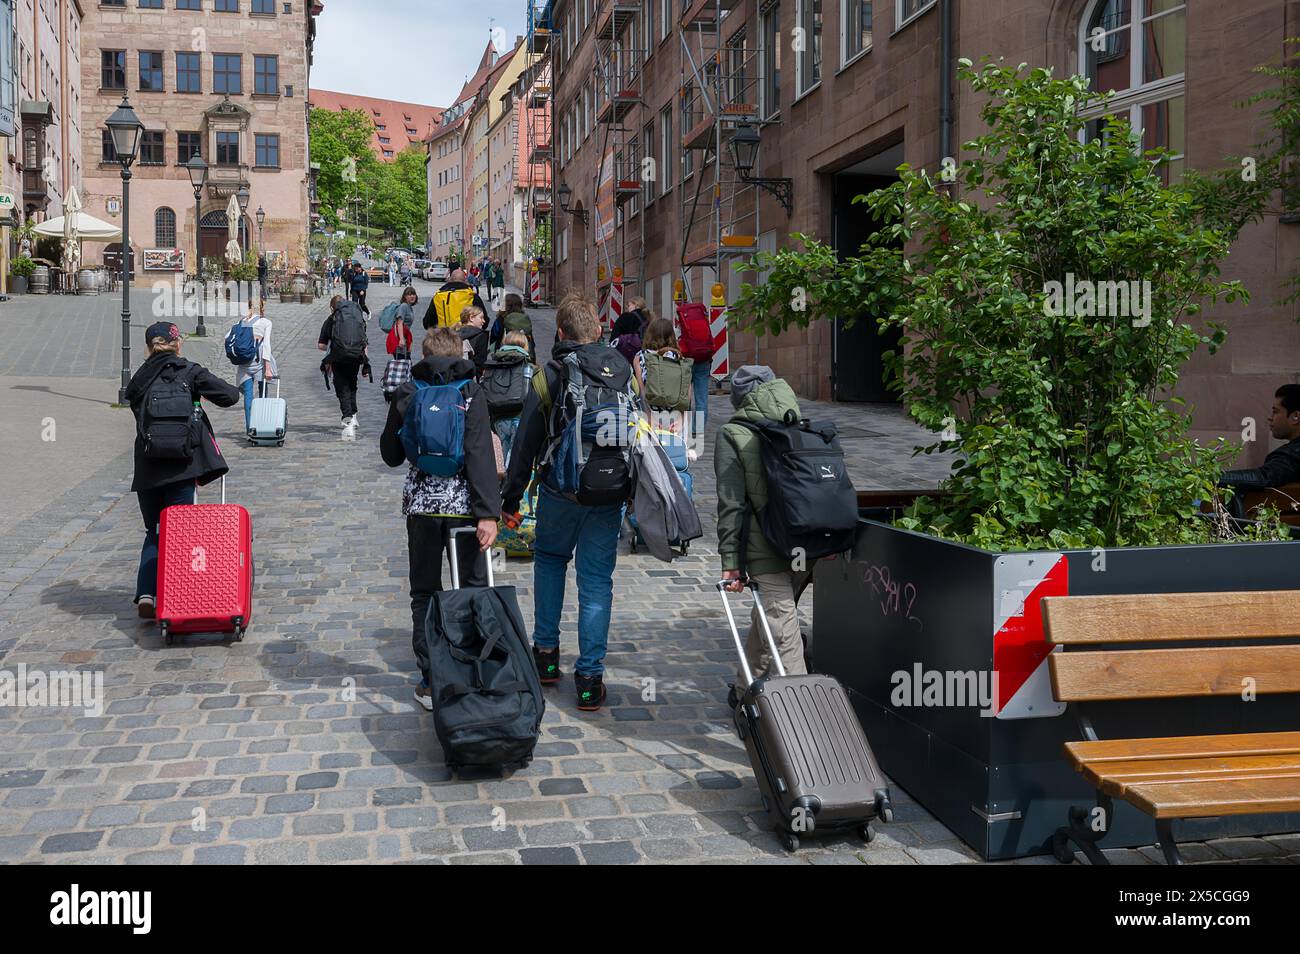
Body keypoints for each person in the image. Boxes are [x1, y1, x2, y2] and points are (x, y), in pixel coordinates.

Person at [500, 294, 633, 712]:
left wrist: (511, 497)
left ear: (560, 333)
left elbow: (525, 443)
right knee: (596, 582)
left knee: (551, 562)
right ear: (597, 330)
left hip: (560, 491)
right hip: (610, 492)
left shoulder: (550, 375)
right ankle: (590, 679)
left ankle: (546, 658)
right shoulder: (622, 371)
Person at [380, 326, 501, 710]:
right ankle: (474, 669)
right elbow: (480, 454)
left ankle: (432, 680)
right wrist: (489, 514)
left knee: (424, 592)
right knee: (472, 589)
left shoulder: (409, 390)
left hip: (422, 509)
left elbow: (390, 454)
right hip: (465, 508)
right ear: (460, 352)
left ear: (426, 353)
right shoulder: (471, 392)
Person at [124, 321, 240, 619]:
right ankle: (178, 594)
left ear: (149, 347)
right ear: (178, 344)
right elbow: (229, 396)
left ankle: (147, 592)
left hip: (148, 467)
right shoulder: (190, 371)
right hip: (182, 467)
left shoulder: (139, 380)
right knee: (180, 533)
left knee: (155, 531)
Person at [715, 366, 810, 706]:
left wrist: (731, 562)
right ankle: (744, 692)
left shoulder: (733, 434)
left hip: (766, 547)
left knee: (783, 633)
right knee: (771, 616)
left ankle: (803, 723)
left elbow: (731, 504)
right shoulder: (795, 420)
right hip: (806, 542)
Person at [1222, 384, 1300, 490]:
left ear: (1295, 417)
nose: (1270, 417)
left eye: (1275, 412)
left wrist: (1209, 478)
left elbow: (1264, 477)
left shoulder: (1292, 456)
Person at [318, 294, 370, 440]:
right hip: (356, 357)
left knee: (342, 389)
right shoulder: (356, 318)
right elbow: (364, 342)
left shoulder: (331, 320)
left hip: (338, 358)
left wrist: (334, 346)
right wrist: (365, 364)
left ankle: (348, 420)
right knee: (352, 385)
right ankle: (353, 415)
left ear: (332, 308)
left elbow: (321, 345)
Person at [233, 297, 277, 437]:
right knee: (263, 392)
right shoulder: (266, 322)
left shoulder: (241, 322)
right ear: (262, 307)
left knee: (248, 395)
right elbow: (266, 346)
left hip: (245, 362)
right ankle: (261, 424)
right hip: (259, 361)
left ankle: (250, 428)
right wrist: (268, 367)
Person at [423, 267, 492, 329]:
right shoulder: (472, 296)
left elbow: (427, 323)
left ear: (450, 280)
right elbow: (485, 322)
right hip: (467, 339)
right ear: (465, 281)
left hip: (444, 338)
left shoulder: (438, 297)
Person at [490, 292, 535, 357]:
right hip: (525, 355)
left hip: (504, 356)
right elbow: (531, 340)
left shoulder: (500, 319)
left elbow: (493, 337)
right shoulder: (524, 318)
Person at [459, 304, 491, 377]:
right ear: (472, 318)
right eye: (481, 318)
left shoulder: (454, 334)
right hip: (470, 377)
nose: (484, 321)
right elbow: (480, 363)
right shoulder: (481, 335)